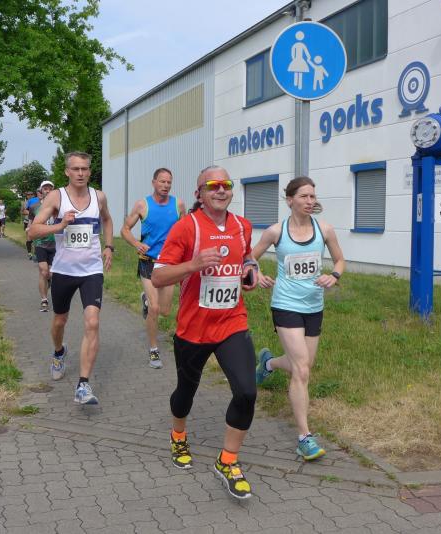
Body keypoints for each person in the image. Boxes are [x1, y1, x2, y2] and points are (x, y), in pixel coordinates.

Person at [151, 165, 260, 500]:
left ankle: (228, 461)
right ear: (199, 193)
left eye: (226, 184)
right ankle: (178, 435)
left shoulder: (242, 226)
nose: (221, 190)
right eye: (213, 185)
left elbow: (247, 257)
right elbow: (158, 277)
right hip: (194, 328)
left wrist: (250, 271)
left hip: (232, 322)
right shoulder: (187, 227)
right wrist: (194, 265)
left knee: (247, 392)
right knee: (186, 392)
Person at [250, 176, 345, 461]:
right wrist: (258, 274)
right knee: (302, 370)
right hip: (285, 305)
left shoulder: (324, 229)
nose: (310, 201)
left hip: (314, 305)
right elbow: (250, 257)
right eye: (304, 196)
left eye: (312, 196)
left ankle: (268, 363)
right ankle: (304, 437)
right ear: (290, 200)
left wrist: (334, 275)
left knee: (302, 365)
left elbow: (340, 260)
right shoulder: (275, 232)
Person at [28, 152, 114, 405]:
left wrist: (109, 246)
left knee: (93, 322)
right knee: (60, 320)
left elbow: (107, 219)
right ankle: (58, 352)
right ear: (67, 171)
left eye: (84, 169)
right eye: (75, 169)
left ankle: (83, 385)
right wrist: (59, 225)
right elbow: (33, 231)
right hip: (64, 270)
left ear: (89, 171)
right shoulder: (57, 197)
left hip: (91, 271)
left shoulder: (99, 197)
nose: (80, 173)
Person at [120, 168, 185, 369]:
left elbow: (186, 230)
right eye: (162, 181)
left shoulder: (178, 204)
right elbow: (125, 229)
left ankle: (146, 302)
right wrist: (136, 244)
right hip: (148, 260)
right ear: (154, 182)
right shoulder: (143, 204)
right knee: (155, 308)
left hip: (169, 262)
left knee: (164, 310)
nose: (165, 185)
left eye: (169, 182)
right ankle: (153, 349)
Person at [31, 180, 56, 312]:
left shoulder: (58, 205)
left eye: (50, 188)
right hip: (40, 243)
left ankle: (48, 281)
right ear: (41, 191)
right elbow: (31, 223)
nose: (48, 190)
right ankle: (44, 300)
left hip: (55, 243)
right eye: (45, 188)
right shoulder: (35, 206)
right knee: (43, 271)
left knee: (51, 273)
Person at [24, 190, 41, 260]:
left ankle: (36, 253)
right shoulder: (31, 201)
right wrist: (33, 213)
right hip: (30, 220)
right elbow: (25, 210)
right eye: (39, 192)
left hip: (40, 222)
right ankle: (29, 253)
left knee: (37, 238)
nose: (40, 193)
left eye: (31, 194)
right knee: (29, 237)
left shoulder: (48, 200)